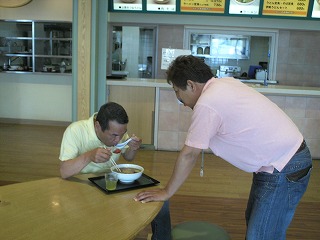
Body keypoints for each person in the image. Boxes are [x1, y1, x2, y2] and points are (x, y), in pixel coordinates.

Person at [134, 55, 312, 240]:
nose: (181, 100)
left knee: (262, 235)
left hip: (284, 166)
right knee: (258, 229)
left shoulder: (208, 102)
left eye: (178, 91)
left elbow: (189, 155)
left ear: (191, 85)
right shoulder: (224, 84)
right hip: (277, 163)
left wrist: (166, 192)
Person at [59, 102, 172, 240]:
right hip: (82, 186)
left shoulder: (118, 132)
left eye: (122, 134)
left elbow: (129, 158)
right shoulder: (75, 131)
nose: (118, 140)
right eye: (113, 136)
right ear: (97, 126)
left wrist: (133, 148)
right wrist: (89, 156)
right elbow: (64, 171)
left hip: (111, 181)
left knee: (160, 199)